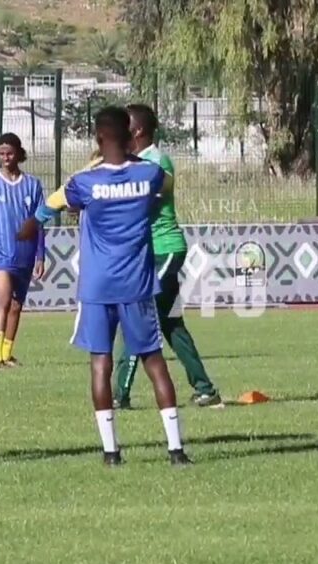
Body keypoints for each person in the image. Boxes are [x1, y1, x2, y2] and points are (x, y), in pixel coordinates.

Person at [17, 106, 192, 467]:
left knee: (101, 364)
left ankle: (111, 453)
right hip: (137, 285)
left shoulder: (84, 182)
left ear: (98, 139)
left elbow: (46, 211)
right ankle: (175, 450)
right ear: (131, 137)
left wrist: (26, 230)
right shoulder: (150, 174)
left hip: (97, 287)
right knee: (155, 363)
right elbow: (166, 186)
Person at [113, 103, 221, 410]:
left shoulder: (157, 161)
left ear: (138, 130)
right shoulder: (131, 162)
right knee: (171, 322)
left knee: (137, 317)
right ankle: (206, 389)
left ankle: (119, 395)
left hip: (165, 250)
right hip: (146, 253)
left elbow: (143, 204)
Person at [0, 133, 47, 368]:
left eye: (9, 153)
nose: (5, 158)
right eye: (1, 153)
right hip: (1, 255)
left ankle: (7, 354)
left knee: (17, 305)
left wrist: (40, 255)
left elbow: (38, 224)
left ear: (18, 153)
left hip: (25, 255)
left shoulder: (33, 185)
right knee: (4, 300)